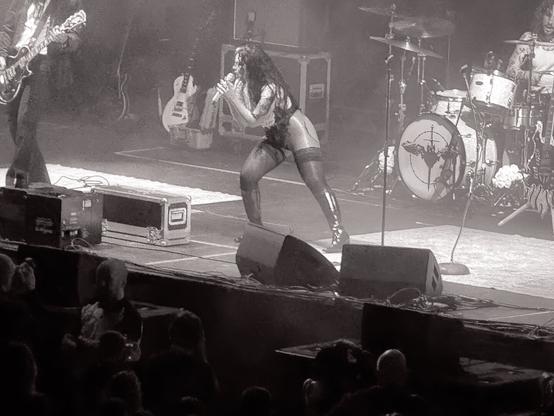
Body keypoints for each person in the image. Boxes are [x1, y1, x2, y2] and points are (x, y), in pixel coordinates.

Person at [216, 43, 349, 252]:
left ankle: (339, 232)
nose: (234, 68)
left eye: (238, 63)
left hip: (297, 132)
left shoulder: (270, 88)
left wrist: (232, 97)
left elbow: (252, 120)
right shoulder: (242, 85)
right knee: (247, 176)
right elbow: (242, 123)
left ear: (251, 65)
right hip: (276, 135)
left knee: (315, 181)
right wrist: (230, 98)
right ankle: (256, 230)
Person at [0, 0, 83, 188]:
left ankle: (18, 175)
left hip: (41, 66)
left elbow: (75, 39)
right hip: (15, 62)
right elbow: (7, 28)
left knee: (26, 122)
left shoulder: (66, 4)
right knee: (14, 124)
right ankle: (40, 180)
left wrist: (63, 39)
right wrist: (1, 56)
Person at [506, 0, 554, 94]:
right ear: (541, 15)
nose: (550, 22)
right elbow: (510, 70)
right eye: (548, 15)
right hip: (532, 97)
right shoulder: (528, 38)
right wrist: (528, 75)